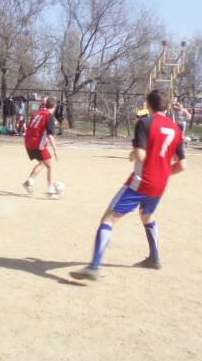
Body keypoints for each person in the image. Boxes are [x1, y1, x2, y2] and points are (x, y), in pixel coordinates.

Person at [70, 90, 186, 281]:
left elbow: (140, 155)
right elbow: (182, 165)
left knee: (108, 220)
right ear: (167, 107)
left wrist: (132, 155)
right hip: (160, 184)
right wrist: (163, 173)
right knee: (147, 215)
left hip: (141, 182)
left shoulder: (145, 123)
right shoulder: (176, 129)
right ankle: (154, 258)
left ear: (149, 104)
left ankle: (94, 266)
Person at [22, 97, 60, 199]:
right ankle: (51, 191)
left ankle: (29, 181)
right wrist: (55, 150)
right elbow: (50, 135)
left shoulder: (36, 115)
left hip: (28, 142)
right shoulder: (49, 116)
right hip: (38, 144)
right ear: (55, 106)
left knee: (43, 163)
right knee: (51, 165)